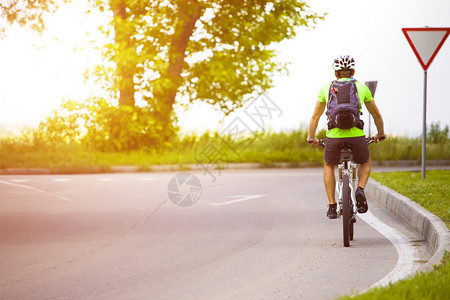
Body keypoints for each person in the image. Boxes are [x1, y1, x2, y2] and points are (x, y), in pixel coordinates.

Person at [307, 55, 386, 219]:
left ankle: (331, 205)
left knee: (329, 165)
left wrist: (311, 137)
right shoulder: (362, 88)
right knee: (364, 162)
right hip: (357, 136)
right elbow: (376, 115)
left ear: (335, 73)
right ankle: (360, 190)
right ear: (353, 71)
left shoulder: (326, 88)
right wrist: (380, 134)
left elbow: (315, 117)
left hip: (333, 137)